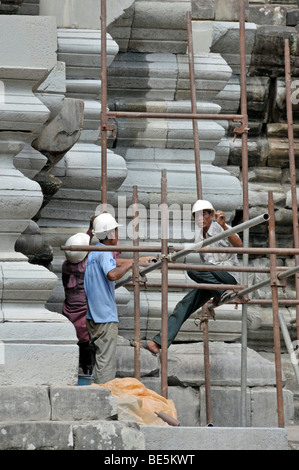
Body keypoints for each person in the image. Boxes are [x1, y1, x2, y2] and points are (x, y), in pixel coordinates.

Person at [140, 199, 243, 355]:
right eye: (196, 216)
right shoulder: (198, 237)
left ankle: (222, 291)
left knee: (193, 270)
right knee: (184, 305)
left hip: (228, 276)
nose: (199, 219)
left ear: (211, 215)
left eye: (203, 215)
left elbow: (239, 245)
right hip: (215, 280)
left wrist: (223, 225)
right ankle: (158, 342)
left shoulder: (220, 227)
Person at [84, 213, 152, 384]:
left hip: (93, 316)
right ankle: (103, 397)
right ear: (110, 234)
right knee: (105, 364)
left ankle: (97, 391)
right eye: (116, 231)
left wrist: (136, 260)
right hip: (105, 317)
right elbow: (112, 274)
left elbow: (116, 263)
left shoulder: (94, 252)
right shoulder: (105, 252)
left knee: (99, 361)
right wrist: (132, 264)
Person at [62, 217, 95, 375]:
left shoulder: (66, 266)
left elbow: (81, 248)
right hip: (84, 316)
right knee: (86, 350)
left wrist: (90, 230)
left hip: (69, 314)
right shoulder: (86, 266)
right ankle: (87, 369)